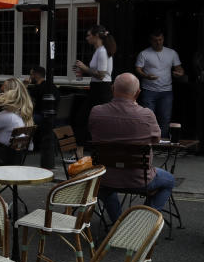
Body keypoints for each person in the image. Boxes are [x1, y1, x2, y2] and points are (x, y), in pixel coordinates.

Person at [90, 73, 175, 221]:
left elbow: (93, 133)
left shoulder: (96, 112)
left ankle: (118, 222)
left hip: (104, 178)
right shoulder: (146, 115)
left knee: (106, 188)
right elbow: (156, 140)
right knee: (169, 180)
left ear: (112, 89)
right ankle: (142, 222)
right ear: (138, 93)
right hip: (139, 179)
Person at [135, 30, 184, 138]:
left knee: (165, 118)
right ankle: (149, 143)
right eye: (155, 40)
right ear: (150, 41)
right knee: (148, 118)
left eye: (160, 40)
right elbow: (138, 69)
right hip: (149, 90)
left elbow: (179, 68)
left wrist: (179, 73)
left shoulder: (171, 53)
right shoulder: (144, 53)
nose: (158, 42)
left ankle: (162, 144)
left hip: (166, 91)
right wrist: (146, 76)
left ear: (163, 39)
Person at [74, 24, 115, 140]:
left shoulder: (102, 51)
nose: (87, 38)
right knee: (90, 118)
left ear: (96, 36)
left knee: (83, 117)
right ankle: (86, 147)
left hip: (101, 89)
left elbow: (101, 75)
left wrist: (84, 68)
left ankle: (81, 148)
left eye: (88, 35)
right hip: (99, 88)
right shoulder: (100, 51)